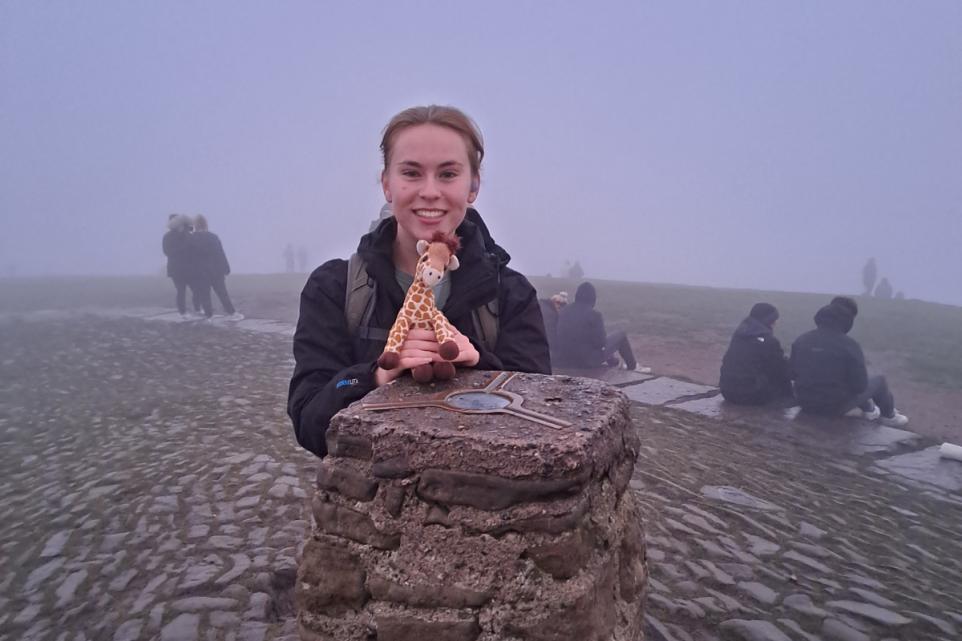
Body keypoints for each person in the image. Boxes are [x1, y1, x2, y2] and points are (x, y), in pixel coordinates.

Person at [288, 105, 551, 458]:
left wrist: (479, 366)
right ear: (387, 185)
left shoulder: (510, 294)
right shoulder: (334, 287)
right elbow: (309, 420)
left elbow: (539, 422)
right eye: (411, 173)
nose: (429, 191)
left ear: (472, 187)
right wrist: (375, 376)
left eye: (447, 174)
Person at [790, 296, 908, 426]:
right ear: (847, 322)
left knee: (842, 381)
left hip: (804, 402)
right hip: (832, 407)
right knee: (879, 381)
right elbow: (860, 386)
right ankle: (889, 416)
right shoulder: (849, 345)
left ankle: (870, 410)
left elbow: (793, 373)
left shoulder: (802, 340)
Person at [719, 303, 793, 405]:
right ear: (768, 320)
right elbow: (780, 370)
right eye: (774, 320)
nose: (775, 323)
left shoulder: (738, 335)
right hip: (750, 395)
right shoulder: (769, 341)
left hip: (727, 391)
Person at [555, 282, 639, 371]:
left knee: (590, 344)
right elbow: (601, 343)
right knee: (621, 335)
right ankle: (633, 367)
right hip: (586, 361)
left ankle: (613, 362)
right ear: (593, 299)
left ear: (576, 296)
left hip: (565, 360)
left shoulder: (564, 311)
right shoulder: (594, 315)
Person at [191, 214, 244, 321]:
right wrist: (226, 267)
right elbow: (220, 253)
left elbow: (190, 257)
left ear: (195, 226)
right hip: (216, 270)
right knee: (222, 292)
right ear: (205, 224)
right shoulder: (213, 237)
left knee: (205, 294)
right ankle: (232, 313)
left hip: (200, 272)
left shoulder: (192, 239)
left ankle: (209, 315)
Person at [162, 214, 196, 320]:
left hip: (187, 268)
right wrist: (184, 247)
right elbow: (168, 252)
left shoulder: (186, 234)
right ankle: (183, 312)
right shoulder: (168, 237)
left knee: (195, 289)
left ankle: (196, 308)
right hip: (177, 269)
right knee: (181, 291)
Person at [538, 291, 568, 366]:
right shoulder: (552, 315)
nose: (560, 307)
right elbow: (551, 337)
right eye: (559, 304)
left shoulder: (541, 305)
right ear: (555, 302)